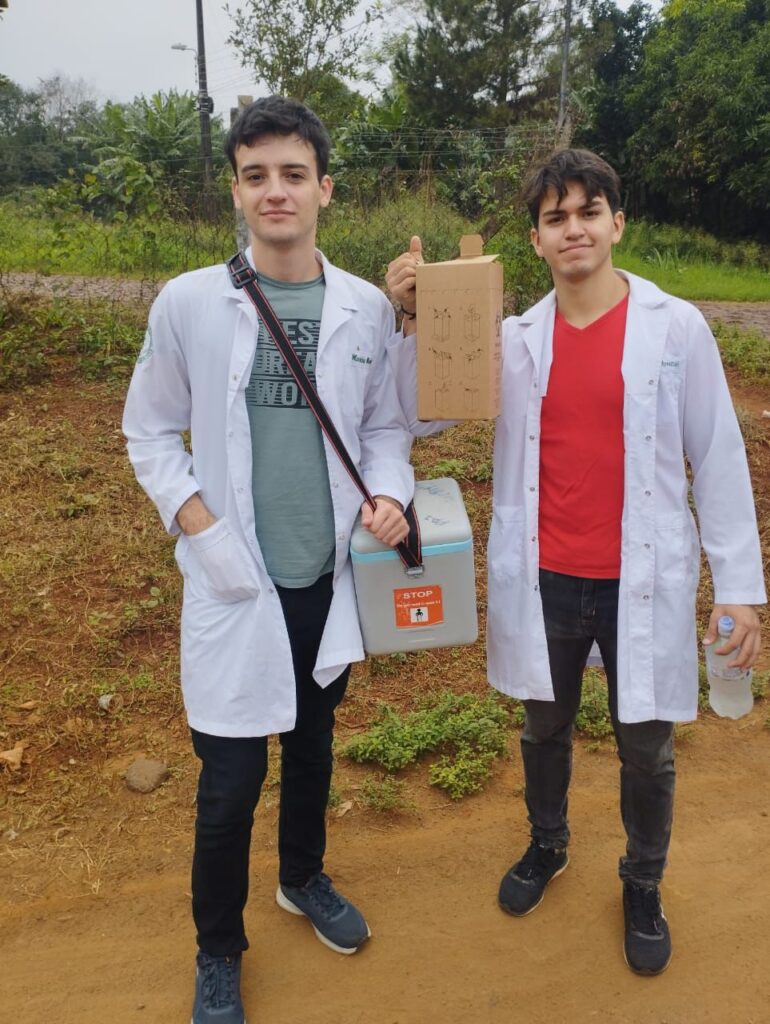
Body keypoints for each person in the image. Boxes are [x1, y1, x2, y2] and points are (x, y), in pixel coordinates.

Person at [385, 148, 765, 976]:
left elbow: (719, 457)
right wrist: (414, 320)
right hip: (548, 578)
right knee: (544, 727)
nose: (574, 229)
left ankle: (643, 880)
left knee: (646, 747)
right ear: (535, 239)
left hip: (641, 580)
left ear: (616, 223)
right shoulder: (513, 341)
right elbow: (420, 414)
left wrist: (739, 588)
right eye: (555, 218)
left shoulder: (676, 329)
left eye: (589, 212)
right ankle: (548, 843)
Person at [123, 96, 414, 1024]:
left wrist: (390, 492)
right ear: (236, 192)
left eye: (294, 174)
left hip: (324, 577)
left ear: (325, 189)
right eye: (256, 176)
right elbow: (148, 431)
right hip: (233, 582)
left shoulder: (366, 307)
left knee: (314, 746)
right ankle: (218, 950)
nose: (275, 191)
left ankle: (302, 876)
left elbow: (386, 426)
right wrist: (199, 526)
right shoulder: (189, 303)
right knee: (229, 784)